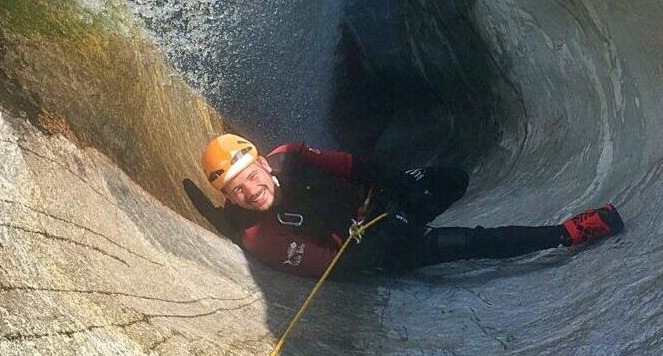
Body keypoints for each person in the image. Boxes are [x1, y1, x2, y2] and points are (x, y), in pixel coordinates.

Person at [196, 133, 625, 278]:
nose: (251, 191)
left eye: (250, 177)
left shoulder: (291, 155)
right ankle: (570, 233)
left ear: (262, 163)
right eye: (237, 191)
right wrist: (377, 244)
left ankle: (415, 196)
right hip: (375, 247)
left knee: (452, 178)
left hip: (383, 203)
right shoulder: (259, 235)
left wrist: (399, 186)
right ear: (229, 198)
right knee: (465, 243)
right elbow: (331, 266)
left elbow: (352, 166)